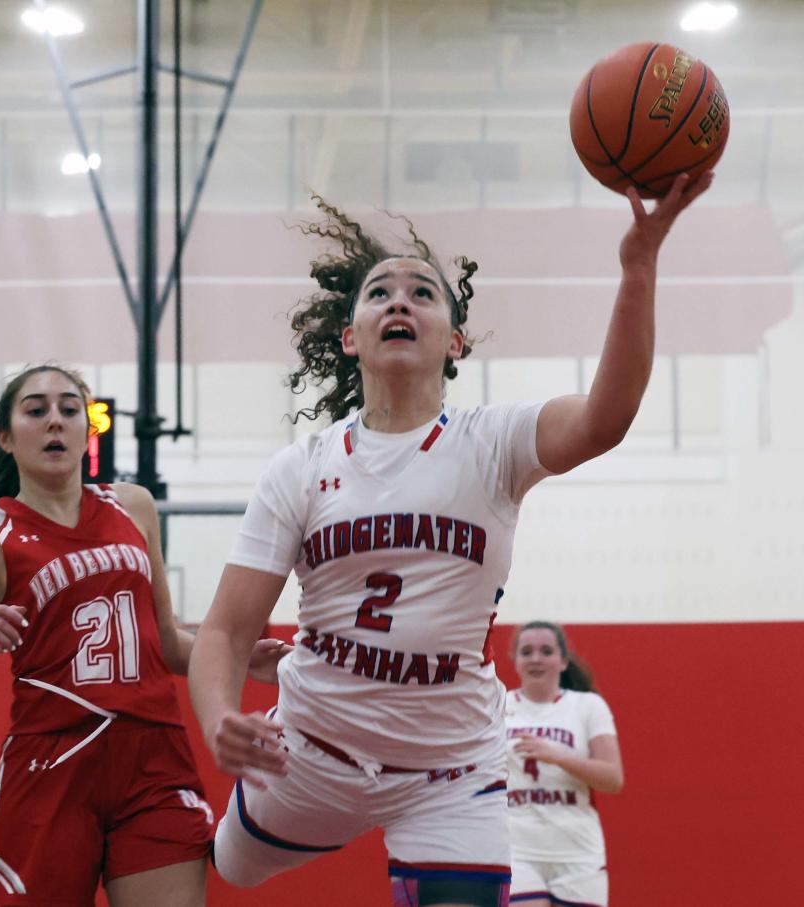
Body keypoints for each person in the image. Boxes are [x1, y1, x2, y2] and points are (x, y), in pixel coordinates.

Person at [187, 173, 712, 907]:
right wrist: (220, 721)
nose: (400, 298)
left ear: (455, 339)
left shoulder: (492, 443)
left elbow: (605, 417)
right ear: (350, 337)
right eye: (380, 292)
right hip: (311, 751)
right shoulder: (300, 467)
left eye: (422, 292)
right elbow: (226, 628)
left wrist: (639, 267)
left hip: (449, 770)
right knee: (216, 864)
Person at [0, 364, 287, 907]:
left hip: (153, 760)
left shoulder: (133, 506)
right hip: (53, 761)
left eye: (70, 410)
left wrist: (233, 657)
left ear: (88, 431)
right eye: (36, 410)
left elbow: (162, 641)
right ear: (5, 437)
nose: (55, 422)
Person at [505, 622, 623, 907]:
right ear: (516, 660)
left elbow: (613, 778)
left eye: (546, 651)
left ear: (563, 660)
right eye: (527, 651)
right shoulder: (498, 704)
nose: (535, 659)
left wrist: (557, 756)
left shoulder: (588, 706)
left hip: (577, 851)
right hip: (517, 849)